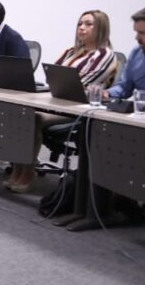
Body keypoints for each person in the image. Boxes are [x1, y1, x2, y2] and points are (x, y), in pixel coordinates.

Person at [7, 10, 119, 193]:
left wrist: (62, 82)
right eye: (80, 23)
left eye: (89, 24)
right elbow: (52, 74)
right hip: (57, 102)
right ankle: (17, 169)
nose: (82, 27)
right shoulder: (71, 51)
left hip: (78, 109)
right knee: (20, 112)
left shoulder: (105, 54)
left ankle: (28, 172)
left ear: (101, 28)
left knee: (33, 117)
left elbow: (81, 84)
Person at [102, 7, 145, 102]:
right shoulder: (136, 52)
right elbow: (124, 87)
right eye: (136, 32)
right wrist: (108, 93)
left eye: (142, 33)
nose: (137, 37)